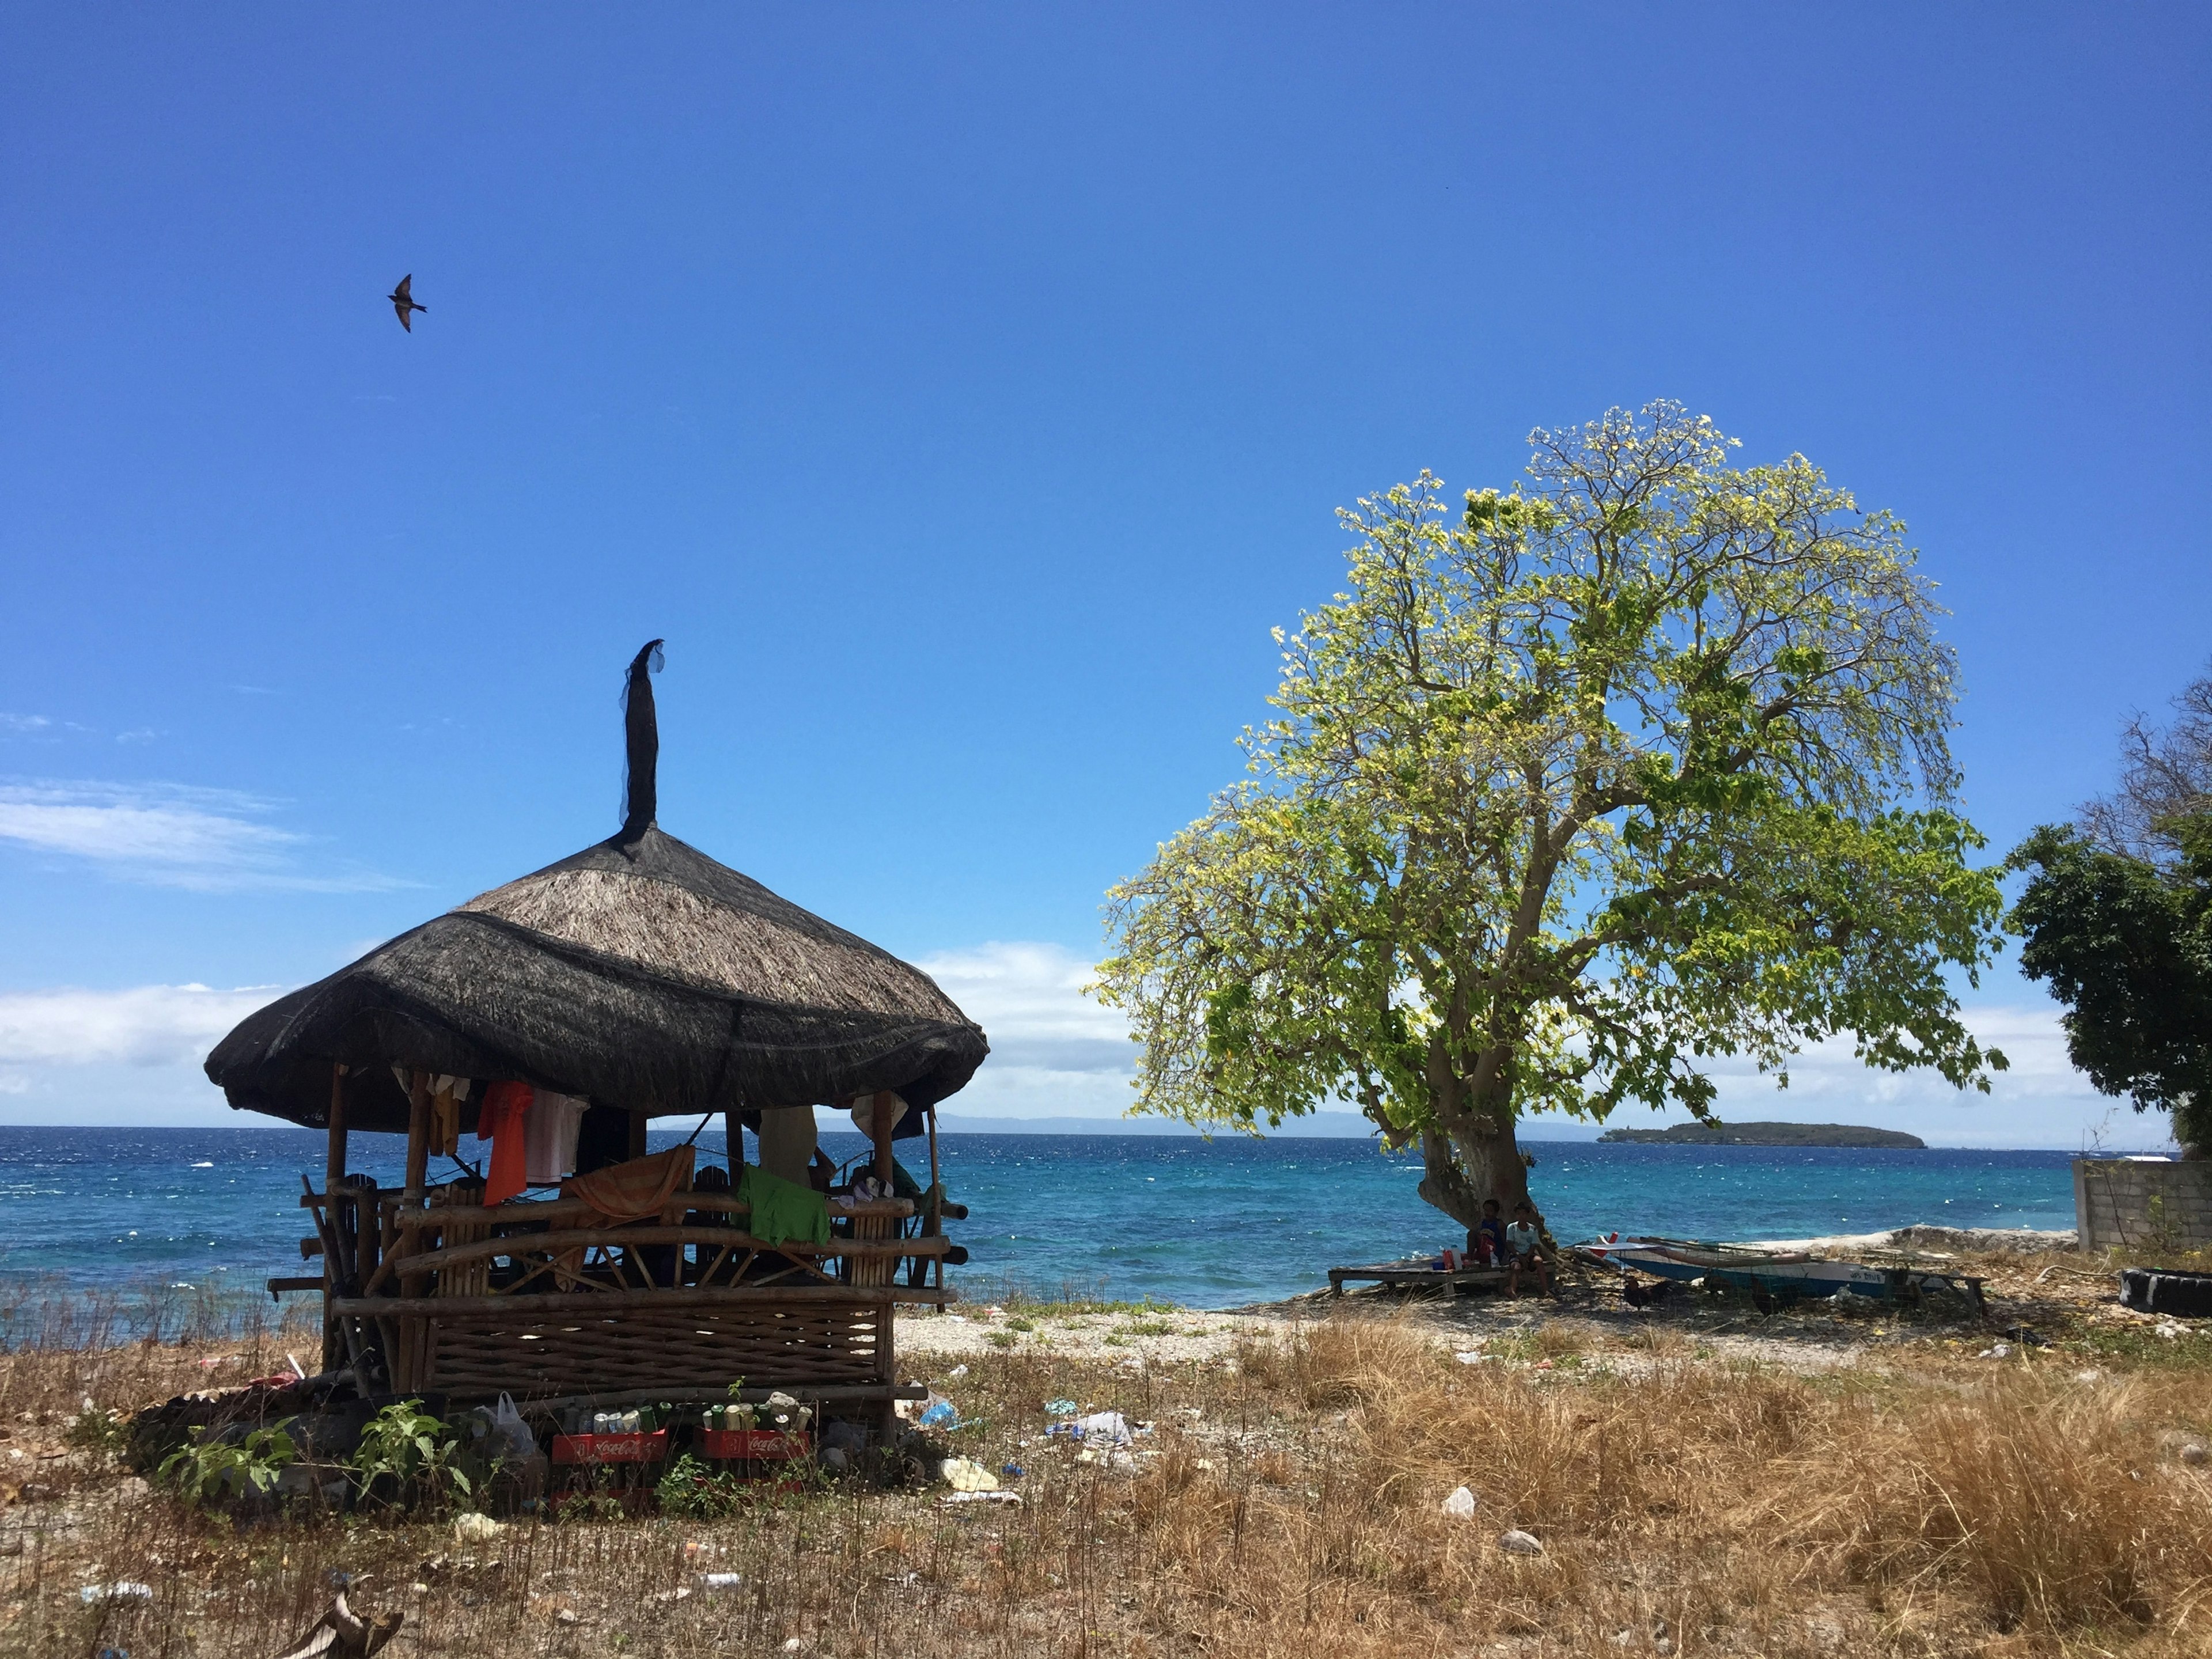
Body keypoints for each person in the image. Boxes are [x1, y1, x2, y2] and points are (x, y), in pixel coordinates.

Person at [1504, 1200, 1552, 1297]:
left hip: (1529, 1254)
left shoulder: (1533, 1229)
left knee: (1539, 1261)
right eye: (1519, 1214)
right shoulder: (1512, 1228)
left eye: (1524, 1214)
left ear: (1528, 1215)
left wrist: (1527, 1257)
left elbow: (1533, 1245)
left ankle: (1546, 1290)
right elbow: (1509, 1244)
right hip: (1516, 1254)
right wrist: (1519, 1256)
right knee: (1517, 1267)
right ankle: (1512, 1289)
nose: (1521, 1216)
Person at [1471, 1199, 1509, 1267]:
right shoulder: (1482, 1224)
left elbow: (1506, 1242)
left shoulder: (1499, 1224)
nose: (1487, 1213)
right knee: (1471, 1234)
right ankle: (1470, 1258)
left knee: (1473, 1235)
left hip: (1495, 1254)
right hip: (1483, 1252)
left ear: (1496, 1213)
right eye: (1485, 1210)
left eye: (1490, 1211)